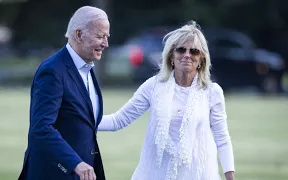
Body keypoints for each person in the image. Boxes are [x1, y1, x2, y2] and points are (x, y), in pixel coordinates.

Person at [98, 21, 235, 180]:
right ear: (171, 55)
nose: (187, 55)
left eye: (194, 51)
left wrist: (230, 177)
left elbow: (222, 139)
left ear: (201, 59)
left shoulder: (212, 92)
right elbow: (118, 120)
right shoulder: (153, 86)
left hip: (198, 174)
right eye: (181, 49)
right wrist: (79, 119)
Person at [18, 6, 110, 180]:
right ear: (79, 35)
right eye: (100, 36)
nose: (105, 43)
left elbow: (84, 122)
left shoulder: (87, 68)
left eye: (106, 37)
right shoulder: (52, 71)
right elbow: (41, 128)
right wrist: (74, 163)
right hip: (54, 173)